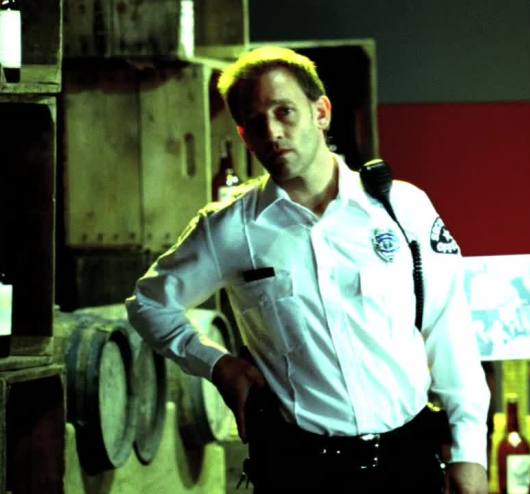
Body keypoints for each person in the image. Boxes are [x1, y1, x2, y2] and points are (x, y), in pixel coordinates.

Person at [125, 46, 490, 493]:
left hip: (408, 462)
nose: (272, 132)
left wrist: (470, 452)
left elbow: (448, 329)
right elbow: (149, 303)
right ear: (243, 136)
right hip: (302, 473)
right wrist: (218, 365)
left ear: (321, 112)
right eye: (255, 122)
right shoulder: (230, 230)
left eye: (285, 112)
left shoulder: (401, 207)